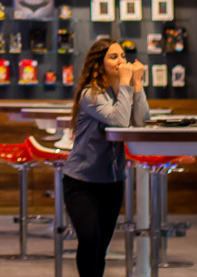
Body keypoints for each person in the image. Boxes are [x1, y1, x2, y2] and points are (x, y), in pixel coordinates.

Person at [62, 37, 149, 276]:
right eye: (113, 57)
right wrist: (125, 83)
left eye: (122, 55)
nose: (121, 61)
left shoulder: (121, 90)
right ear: (99, 64)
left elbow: (141, 121)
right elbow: (120, 121)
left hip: (112, 181)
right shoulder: (92, 93)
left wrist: (137, 83)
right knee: (90, 239)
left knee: (101, 248)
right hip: (81, 182)